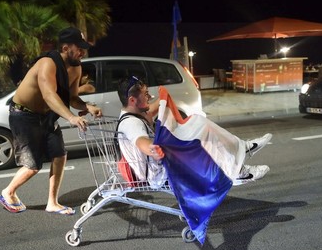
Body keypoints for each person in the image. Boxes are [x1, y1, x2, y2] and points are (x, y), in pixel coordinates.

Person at [0, 27, 102, 215]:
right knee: (33, 165)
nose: (83, 52)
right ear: (65, 47)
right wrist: (71, 117)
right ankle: (8, 192)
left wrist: (87, 107)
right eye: (79, 48)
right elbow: (48, 95)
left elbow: (72, 97)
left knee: (59, 155)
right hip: (24, 114)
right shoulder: (47, 63)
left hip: (47, 116)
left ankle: (52, 203)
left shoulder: (76, 68)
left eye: (84, 48)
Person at [116, 76, 271, 188]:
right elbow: (141, 142)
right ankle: (237, 171)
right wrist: (153, 149)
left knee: (198, 123)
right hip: (158, 174)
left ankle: (241, 148)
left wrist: (165, 97)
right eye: (146, 94)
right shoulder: (131, 124)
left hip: (161, 164)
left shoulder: (136, 112)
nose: (150, 97)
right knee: (199, 136)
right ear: (132, 100)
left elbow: (153, 110)